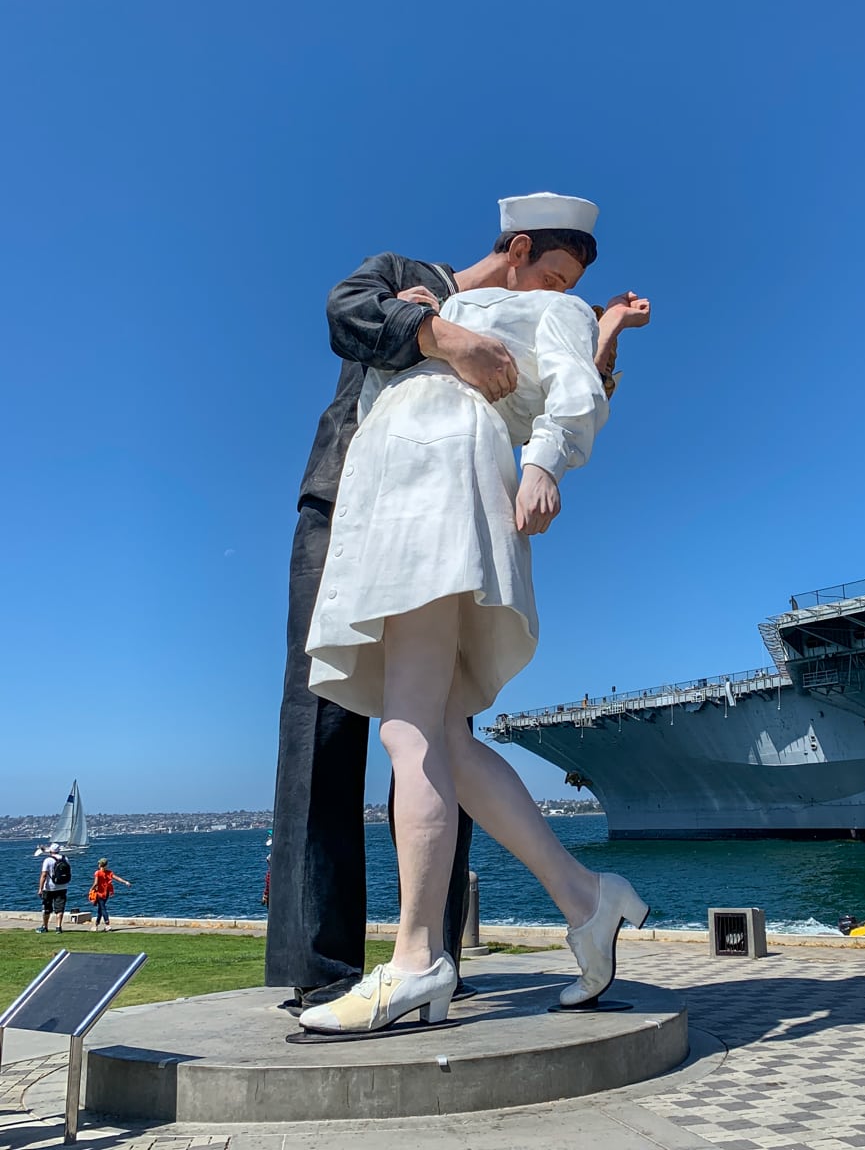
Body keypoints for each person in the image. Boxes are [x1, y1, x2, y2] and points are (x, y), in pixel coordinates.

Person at [266, 192, 646, 1010]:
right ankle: (583, 898)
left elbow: (567, 388)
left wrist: (548, 456)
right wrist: (436, 330)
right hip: (371, 493)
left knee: (412, 725)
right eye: (549, 271)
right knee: (418, 732)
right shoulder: (418, 285)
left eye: (566, 283)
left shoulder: (548, 311)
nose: (555, 291)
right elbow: (347, 313)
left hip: (432, 486)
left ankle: (417, 959)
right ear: (516, 248)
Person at [89, 857, 131, 931]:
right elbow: (117, 878)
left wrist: (91, 889)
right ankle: (96, 925)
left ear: (100, 865)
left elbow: (95, 883)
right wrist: (125, 882)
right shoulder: (109, 872)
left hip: (99, 893)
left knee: (102, 908)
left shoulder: (97, 873)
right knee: (100, 909)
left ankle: (107, 924)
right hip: (107, 893)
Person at [37, 843, 70, 934]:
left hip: (49, 888)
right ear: (59, 850)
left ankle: (45, 926)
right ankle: (58, 927)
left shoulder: (48, 860)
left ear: (50, 851)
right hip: (62, 886)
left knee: (47, 908)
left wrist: (40, 888)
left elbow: (44, 875)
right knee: (60, 908)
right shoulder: (65, 859)